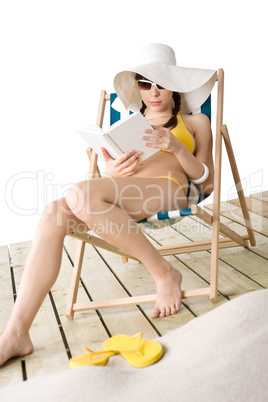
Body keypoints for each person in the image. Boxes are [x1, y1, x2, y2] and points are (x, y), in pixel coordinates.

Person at [0, 43, 216, 366]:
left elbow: (207, 181)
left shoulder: (195, 122)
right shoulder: (128, 125)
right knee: (53, 213)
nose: (153, 92)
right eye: (145, 83)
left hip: (169, 187)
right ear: (138, 88)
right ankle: (16, 333)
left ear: (175, 86)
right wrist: (112, 170)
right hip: (125, 194)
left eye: (161, 83)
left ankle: (164, 273)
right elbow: (107, 182)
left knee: (77, 195)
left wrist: (177, 149)